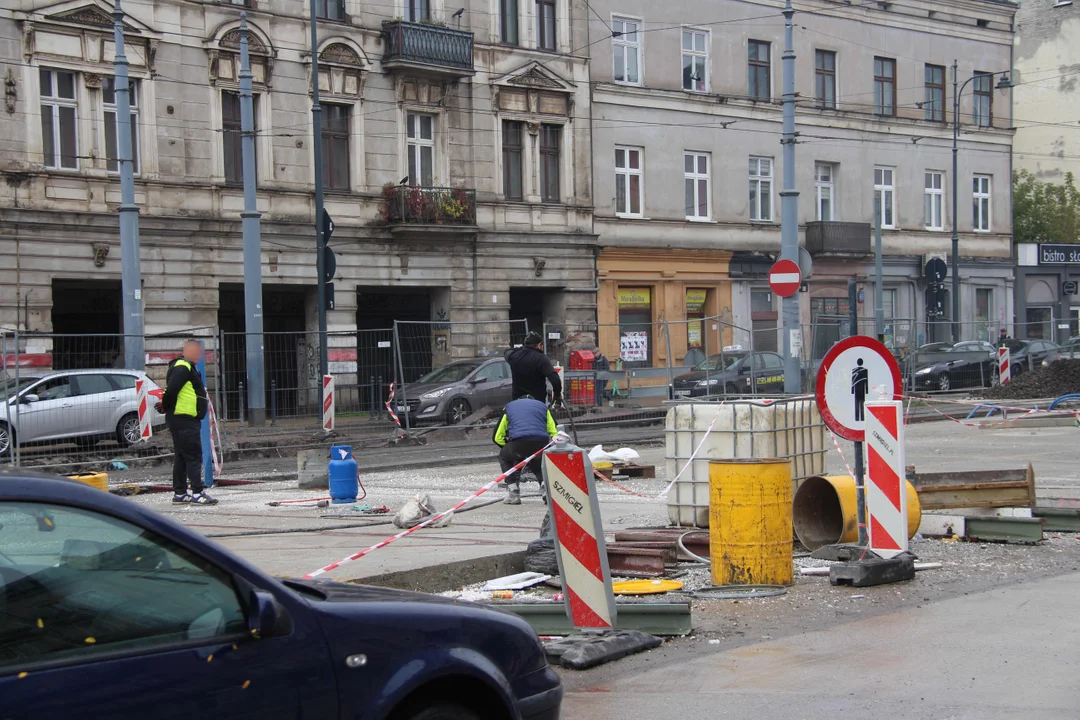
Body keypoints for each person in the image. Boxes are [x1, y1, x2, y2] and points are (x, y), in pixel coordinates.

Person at [160, 339, 216, 505]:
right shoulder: (183, 367)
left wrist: (166, 406)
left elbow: (172, 390)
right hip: (184, 418)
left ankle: (180, 493)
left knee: (182, 456)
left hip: (181, 417)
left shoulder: (184, 366)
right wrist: (165, 405)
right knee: (193, 455)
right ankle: (197, 492)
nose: (199, 355)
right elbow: (171, 390)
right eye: (196, 351)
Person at [493, 395, 558, 505]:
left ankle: (513, 491)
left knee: (504, 456)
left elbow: (497, 437)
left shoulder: (509, 407)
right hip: (540, 442)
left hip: (518, 442)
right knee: (537, 459)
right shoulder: (542, 407)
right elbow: (554, 432)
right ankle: (545, 488)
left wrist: (511, 450)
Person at [505, 331, 563, 404]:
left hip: (518, 403)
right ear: (539, 345)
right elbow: (555, 380)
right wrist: (557, 395)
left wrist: (522, 349)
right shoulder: (541, 358)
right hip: (537, 403)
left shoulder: (514, 356)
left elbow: (507, 352)